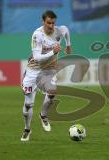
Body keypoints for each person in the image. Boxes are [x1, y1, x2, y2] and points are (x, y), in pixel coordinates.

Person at [20, 10, 71, 141]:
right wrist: (53, 52)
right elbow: (37, 57)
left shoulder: (59, 31)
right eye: (48, 23)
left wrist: (68, 45)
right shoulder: (38, 35)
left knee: (52, 92)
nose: (51, 25)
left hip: (49, 69)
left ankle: (43, 115)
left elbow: (66, 30)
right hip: (34, 70)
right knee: (28, 104)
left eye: (53, 23)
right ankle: (27, 129)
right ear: (43, 22)